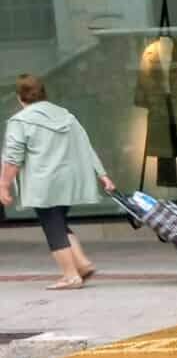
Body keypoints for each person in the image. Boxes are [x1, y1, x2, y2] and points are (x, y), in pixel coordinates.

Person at [1, 75, 112, 290]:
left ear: (19, 97)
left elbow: (13, 158)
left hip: (43, 183)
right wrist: (103, 175)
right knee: (59, 223)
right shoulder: (66, 116)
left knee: (52, 228)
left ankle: (71, 276)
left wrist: (3, 184)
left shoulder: (20, 121)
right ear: (44, 93)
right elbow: (86, 147)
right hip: (67, 182)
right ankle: (82, 263)